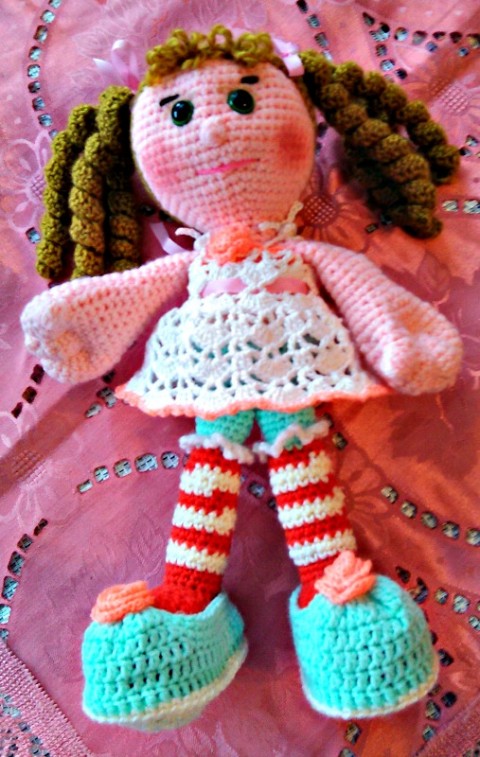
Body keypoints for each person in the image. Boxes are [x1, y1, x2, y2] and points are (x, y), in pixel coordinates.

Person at [21, 25, 462, 730]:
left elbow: (363, 290)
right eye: (181, 115)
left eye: (246, 102)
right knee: (209, 470)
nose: (217, 132)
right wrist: (72, 323)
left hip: (293, 371)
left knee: (300, 463)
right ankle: (185, 602)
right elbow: (133, 289)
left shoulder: (300, 254)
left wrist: (404, 341)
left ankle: (332, 586)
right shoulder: (194, 263)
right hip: (208, 379)